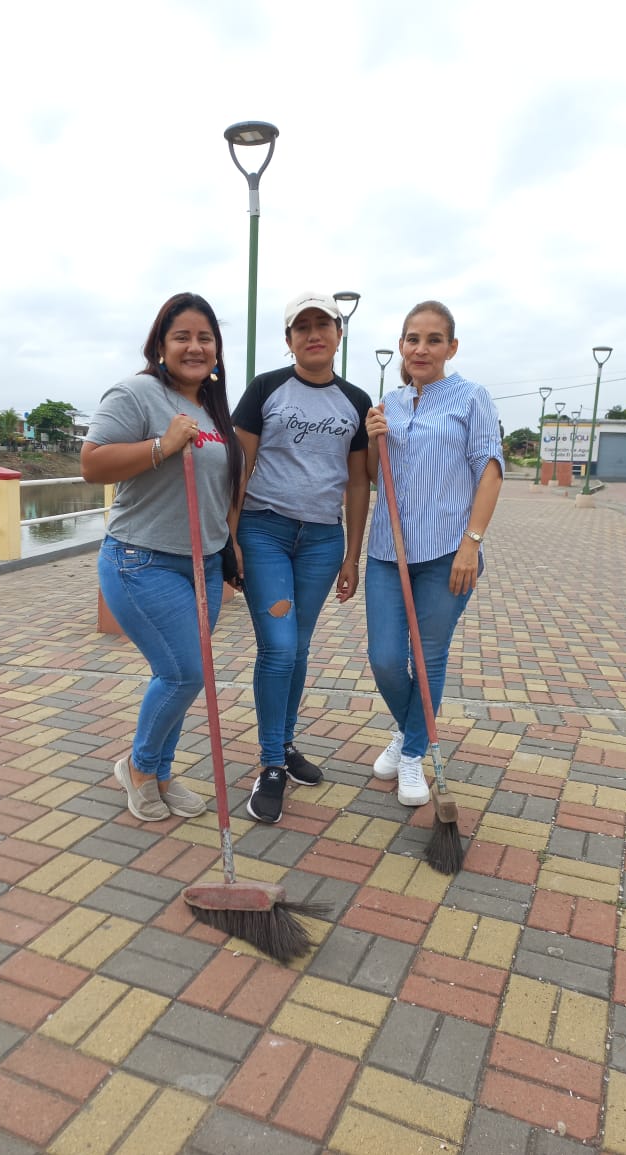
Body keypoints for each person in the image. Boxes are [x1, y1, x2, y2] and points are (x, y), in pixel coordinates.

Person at [81, 293, 244, 822]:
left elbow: (223, 486)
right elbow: (92, 464)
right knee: (183, 673)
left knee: (182, 675)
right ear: (160, 346)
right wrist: (162, 445)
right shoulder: (136, 393)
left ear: (217, 349)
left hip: (204, 564)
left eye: (205, 338)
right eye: (182, 337)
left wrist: (232, 545)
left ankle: (162, 773)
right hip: (141, 560)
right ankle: (138, 766)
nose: (195, 347)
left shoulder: (213, 407)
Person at [231, 292, 373, 824]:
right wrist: (231, 539)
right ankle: (271, 763)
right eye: (302, 327)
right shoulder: (266, 388)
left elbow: (357, 483)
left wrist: (352, 555)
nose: (314, 334)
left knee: (300, 647)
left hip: (321, 541)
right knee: (279, 646)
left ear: (339, 334)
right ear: (288, 339)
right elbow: (238, 468)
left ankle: (285, 744)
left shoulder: (356, 400)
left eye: (323, 324)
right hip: (264, 532)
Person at [365, 300, 503, 806]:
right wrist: (373, 439)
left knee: (427, 657)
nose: (421, 349)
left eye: (433, 340)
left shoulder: (472, 398)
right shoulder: (389, 403)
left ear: (451, 346)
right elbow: (376, 478)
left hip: (448, 551)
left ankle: (411, 753)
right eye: (413, 339)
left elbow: (490, 470)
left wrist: (472, 543)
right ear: (402, 345)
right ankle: (411, 730)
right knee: (384, 659)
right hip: (388, 551)